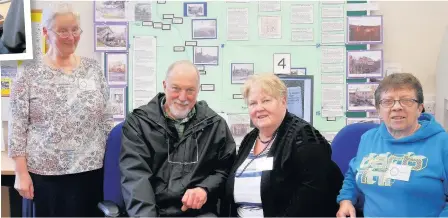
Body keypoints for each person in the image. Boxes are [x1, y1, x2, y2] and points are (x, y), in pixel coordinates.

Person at [8, 3, 113, 217]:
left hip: (90, 173)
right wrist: (20, 173)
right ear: (46, 32)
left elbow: (106, 119)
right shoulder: (29, 74)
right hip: (45, 178)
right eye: (63, 30)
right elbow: (17, 126)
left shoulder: (93, 69)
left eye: (75, 29)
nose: (71, 36)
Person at [120, 60, 237, 217]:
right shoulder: (139, 123)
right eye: (176, 88)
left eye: (190, 90)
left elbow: (225, 169)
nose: (182, 98)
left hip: (198, 213)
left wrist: (205, 188)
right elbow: (135, 177)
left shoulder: (215, 125)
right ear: (164, 86)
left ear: (198, 90)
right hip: (153, 211)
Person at [221, 73, 343, 217]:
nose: (259, 108)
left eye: (266, 100)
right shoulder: (250, 138)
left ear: (283, 101)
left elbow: (313, 195)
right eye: (253, 103)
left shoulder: (304, 137)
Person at [336, 73, 448, 217]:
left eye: (406, 100)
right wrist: (346, 200)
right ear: (378, 110)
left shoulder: (442, 143)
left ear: (420, 108)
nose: (396, 107)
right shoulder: (368, 139)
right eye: (388, 101)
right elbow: (353, 173)